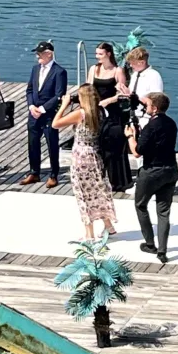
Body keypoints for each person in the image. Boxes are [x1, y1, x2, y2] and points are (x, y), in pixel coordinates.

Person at [53, 83, 117, 240]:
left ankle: (89, 233)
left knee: (83, 194)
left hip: (81, 158)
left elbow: (55, 124)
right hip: (95, 155)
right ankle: (109, 225)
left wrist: (64, 105)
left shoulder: (81, 114)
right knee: (98, 191)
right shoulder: (101, 112)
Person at [126, 92, 178, 265]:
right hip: (170, 169)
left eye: (147, 104)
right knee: (163, 212)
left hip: (152, 171)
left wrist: (130, 137)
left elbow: (137, 151)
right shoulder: (172, 124)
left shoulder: (151, 127)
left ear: (154, 108)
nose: (145, 107)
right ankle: (162, 251)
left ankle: (150, 243)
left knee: (141, 204)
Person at [20, 41, 67, 188]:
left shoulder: (59, 72)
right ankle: (34, 172)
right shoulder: (35, 69)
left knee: (52, 143)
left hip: (48, 114)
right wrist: (31, 106)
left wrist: (42, 109)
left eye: (40, 54)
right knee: (33, 143)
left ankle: (54, 174)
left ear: (49, 54)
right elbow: (29, 90)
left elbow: (59, 94)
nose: (37, 57)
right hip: (34, 113)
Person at [89, 42, 132, 192]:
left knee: (113, 145)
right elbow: (89, 88)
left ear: (108, 54)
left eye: (100, 54)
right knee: (97, 143)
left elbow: (122, 93)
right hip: (97, 110)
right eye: (96, 54)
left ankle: (119, 180)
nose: (97, 57)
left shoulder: (117, 70)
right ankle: (99, 178)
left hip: (112, 110)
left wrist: (108, 101)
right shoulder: (94, 69)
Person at [119, 47, 164, 129]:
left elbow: (157, 100)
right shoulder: (135, 75)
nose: (130, 65)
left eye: (133, 63)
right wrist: (125, 91)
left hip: (145, 118)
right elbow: (132, 91)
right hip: (132, 115)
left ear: (142, 62)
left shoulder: (154, 76)